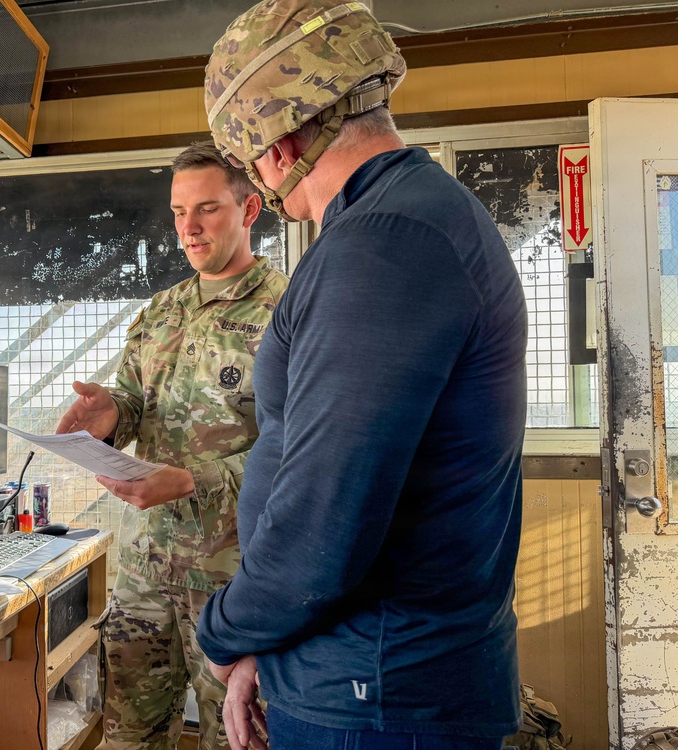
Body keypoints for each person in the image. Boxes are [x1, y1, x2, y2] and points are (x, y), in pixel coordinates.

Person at [194, 3, 529, 750]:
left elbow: (323, 523)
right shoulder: (410, 216)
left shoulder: (383, 244)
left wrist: (223, 633)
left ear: (275, 149)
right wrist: (271, 648)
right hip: (366, 670)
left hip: (380, 690)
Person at [56, 141, 289, 749]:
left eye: (207, 209)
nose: (189, 228)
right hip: (147, 566)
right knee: (129, 733)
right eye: (178, 212)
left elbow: (300, 449)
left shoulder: (287, 309)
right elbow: (134, 401)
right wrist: (107, 413)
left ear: (250, 208)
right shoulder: (162, 310)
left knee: (236, 735)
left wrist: (193, 479)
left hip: (237, 573)